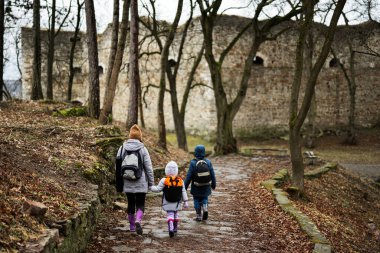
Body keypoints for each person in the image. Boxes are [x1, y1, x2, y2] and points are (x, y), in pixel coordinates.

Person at [115, 124, 154, 235]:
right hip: (141, 181)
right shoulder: (143, 149)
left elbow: (117, 166)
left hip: (127, 181)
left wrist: (119, 182)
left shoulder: (122, 148)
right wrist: (151, 183)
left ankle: (132, 227)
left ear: (130, 136)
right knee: (140, 203)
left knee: (130, 203)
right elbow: (149, 167)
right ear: (139, 136)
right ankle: (138, 220)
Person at [150, 161, 189, 237]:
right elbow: (183, 191)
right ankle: (175, 228)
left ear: (166, 170)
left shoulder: (164, 180)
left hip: (167, 201)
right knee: (175, 214)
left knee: (170, 214)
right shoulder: (180, 180)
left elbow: (158, 189)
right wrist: (186, 201)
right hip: (177, 202)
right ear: (176, 171)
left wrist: (150, 187)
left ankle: (170, 228)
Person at [184, 145, 216, 221]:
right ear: (204, 153)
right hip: (206, 186)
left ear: (195, 153)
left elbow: (189, 176)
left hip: (196, 186)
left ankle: (198, 215)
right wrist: (213, 184)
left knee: (196, 200)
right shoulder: (208, 162)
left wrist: (184, 187)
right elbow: (212, 174)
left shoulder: (193, 163)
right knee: (205, 198)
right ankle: (205, 207)